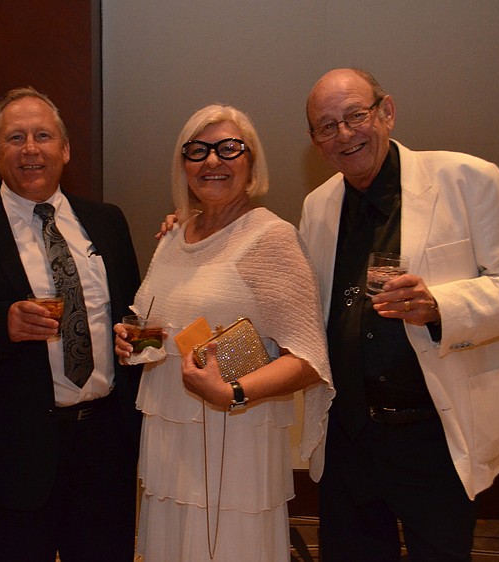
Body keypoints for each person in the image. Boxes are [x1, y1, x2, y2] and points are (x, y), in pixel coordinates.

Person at [300, 68, 499, 561]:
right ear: (316, 142)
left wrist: (440, 307)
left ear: (387, 112)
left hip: (433, 436)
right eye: (327, 126)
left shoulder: (468, 179)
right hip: (347, 437)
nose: (344, 134)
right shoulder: (317, 206)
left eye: (355, 115)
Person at [0, 86, 143, 562]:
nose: (30, 149)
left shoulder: (107, 221)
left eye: (43, 135)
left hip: (105, 445)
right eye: (15, 137)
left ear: (65, 149)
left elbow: (132, 312)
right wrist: (0, 324)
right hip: (11, 452)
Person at [115, 104, 335, 561]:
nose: (212, 160)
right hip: (169, 441)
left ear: (252, 163)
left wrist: (231, 392)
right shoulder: (173, 236)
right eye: (198, 150)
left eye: (229, 148)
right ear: (183, 164)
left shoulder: (270, 239)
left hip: (234, 440)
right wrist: (134, 342)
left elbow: (309, 361)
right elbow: (162, 327)